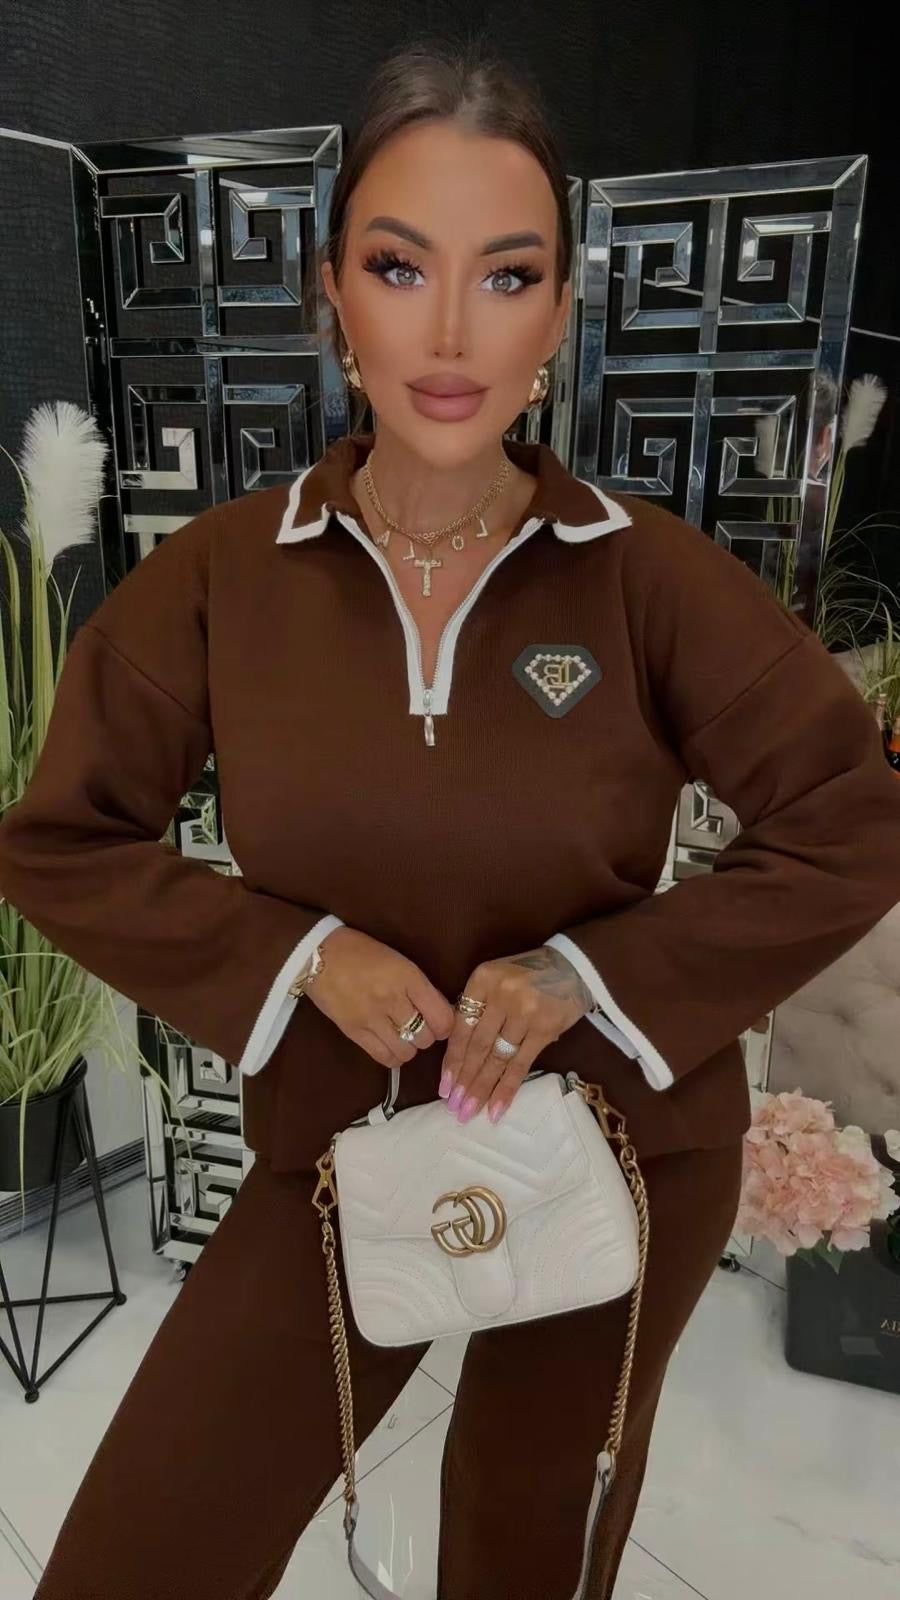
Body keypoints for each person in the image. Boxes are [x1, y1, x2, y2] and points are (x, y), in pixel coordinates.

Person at [2, 37, 900, 1600]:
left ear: (559, 311)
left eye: (509, 274)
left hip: (618, 1148)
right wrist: (303, 959)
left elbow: (852, 817)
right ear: (331, 292)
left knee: (521, 1548)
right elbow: (60, 841)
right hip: (337, 1149)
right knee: (144, 1554)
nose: (450, 330)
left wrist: (585, 976)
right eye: (401, 265)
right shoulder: (220, 580)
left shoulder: (642, 574)